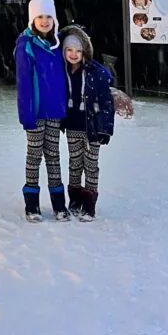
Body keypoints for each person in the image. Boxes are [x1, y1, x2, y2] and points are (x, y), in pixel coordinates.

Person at [14, 0, 69, 222]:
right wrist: (26, 114)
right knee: (34, 156)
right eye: (40, 17)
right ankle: (32, 205)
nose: (45, 21)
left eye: (48, 17)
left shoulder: (59, 45)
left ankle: (59, 204)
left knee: (54, 155)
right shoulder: (26, 45)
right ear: (32, 19)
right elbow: (23, 83)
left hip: (55, 111)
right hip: (35, 112)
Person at [58, 24, 115, 221]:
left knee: (91, 165)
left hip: (92, 127)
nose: (73, 54)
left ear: (85, 51)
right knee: (75, 164)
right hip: (72, 125)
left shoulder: (95, 73)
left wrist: (105, 129)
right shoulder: (62, 72)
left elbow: (107, 102)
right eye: (69, 50)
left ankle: (89, 204)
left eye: (78, 50)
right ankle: (74, 199)